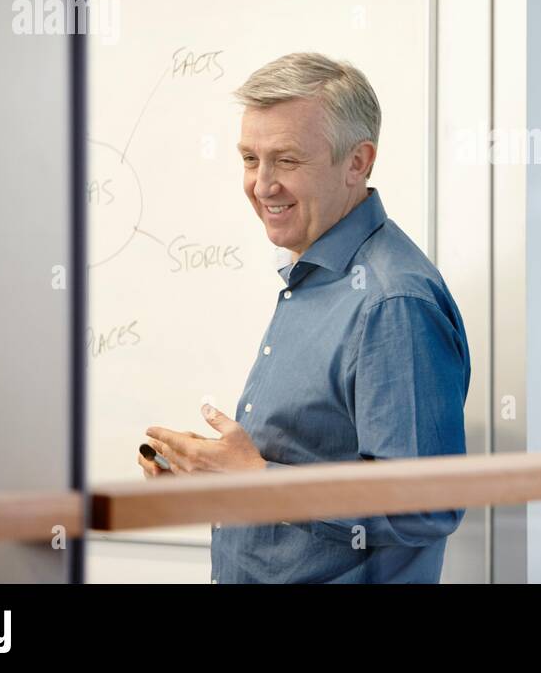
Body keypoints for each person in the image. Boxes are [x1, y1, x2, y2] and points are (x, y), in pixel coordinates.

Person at [140, 51, 471, 583]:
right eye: (250, 159)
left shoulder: (392, 302)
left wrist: (254, 477)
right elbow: (303, 458)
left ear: (358, 162)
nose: (262, 185)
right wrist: (216, 474)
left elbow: (426, 506)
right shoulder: (314, 277)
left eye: (287, 161)